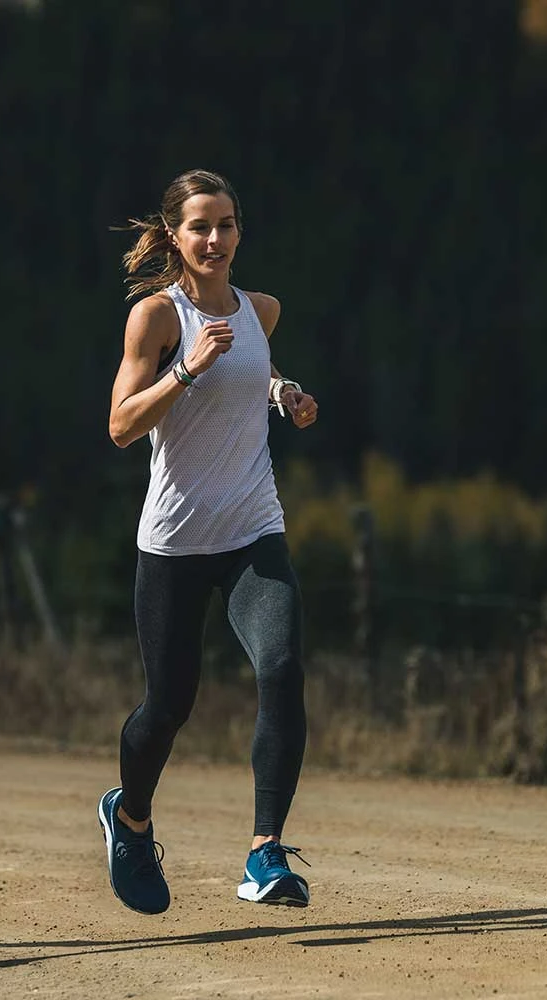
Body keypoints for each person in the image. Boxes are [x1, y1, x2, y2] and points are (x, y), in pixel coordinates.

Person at [97, 169, 318, 915]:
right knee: (168, 705)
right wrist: (186, 370)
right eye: (200, 227)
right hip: (176, 541)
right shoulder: (157, 317)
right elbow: (121, 425)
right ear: (174, 235)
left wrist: (281, 391)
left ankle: (265, 852)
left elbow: (250, 365)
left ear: (239, 231)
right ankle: (130, 818)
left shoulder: (262, 310)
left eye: (226, 225)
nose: (214, 239)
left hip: (254, 527)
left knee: (281, 667)